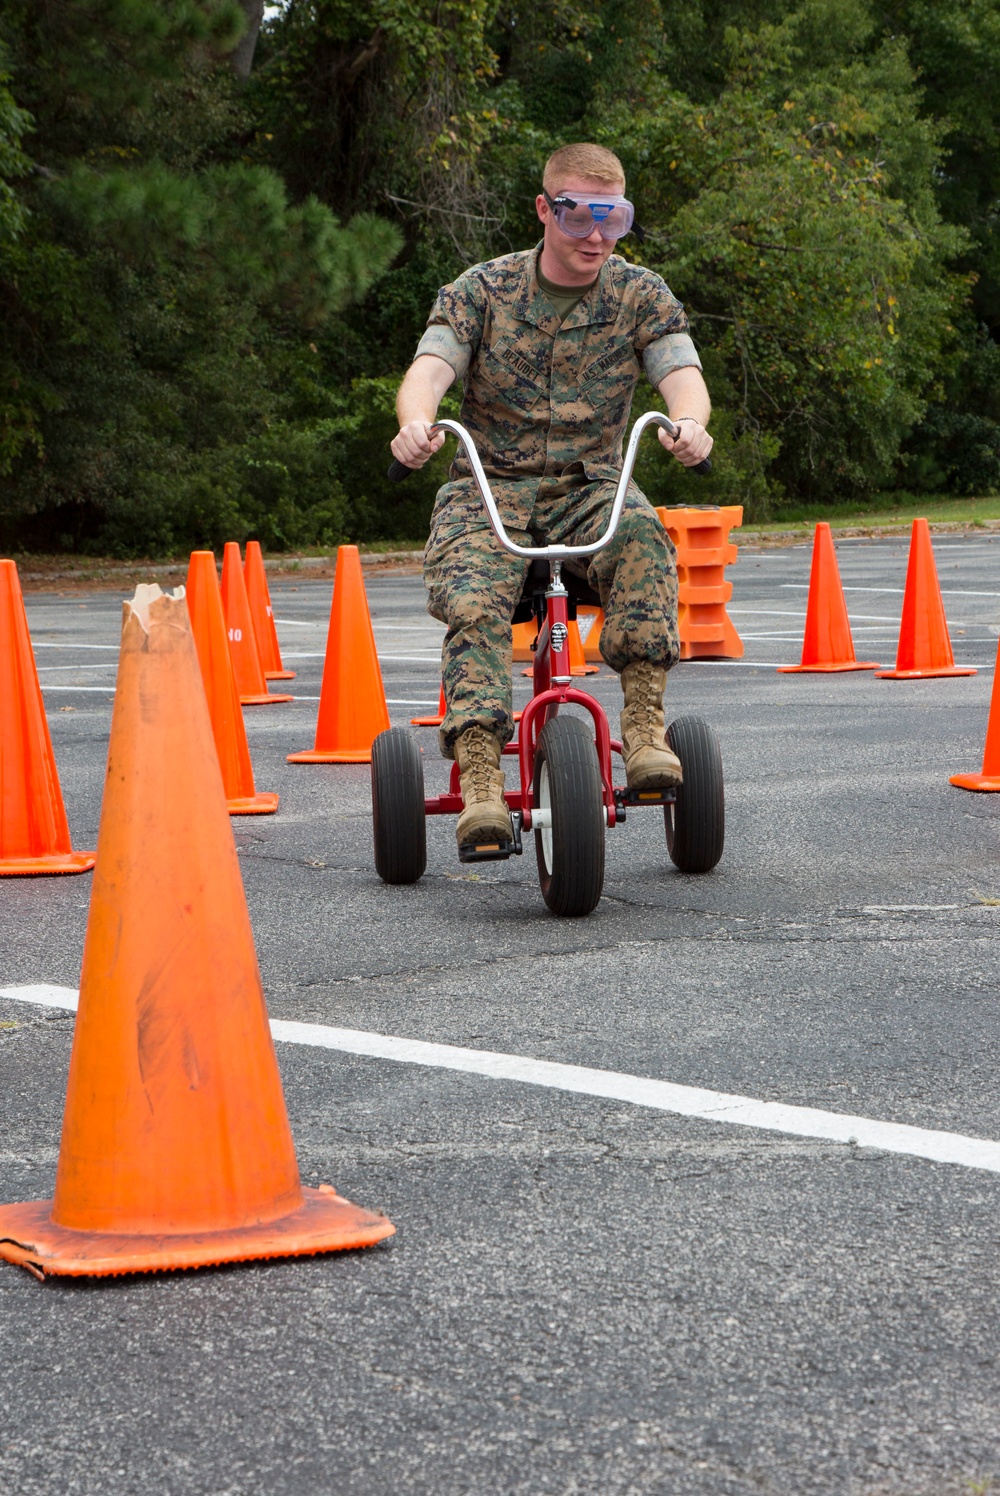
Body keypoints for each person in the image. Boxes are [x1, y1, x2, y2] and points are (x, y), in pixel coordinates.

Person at [391, 141, 713, 855]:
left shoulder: (640, 294)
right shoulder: (482, 291)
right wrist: (416, 421)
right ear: (545, 209)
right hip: (488, 490)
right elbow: (430, 368)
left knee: (643, 537)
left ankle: (645, 728)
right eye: (578, 217)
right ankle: (479, 778)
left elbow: (681, 374)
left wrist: (689, 423)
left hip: (588, 488)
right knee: (474, 602)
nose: (596, 236)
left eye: (614, 218)